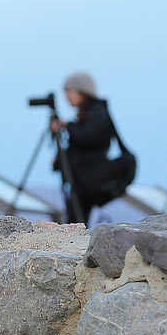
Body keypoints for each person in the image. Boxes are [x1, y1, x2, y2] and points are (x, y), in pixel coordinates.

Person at [51, 71, 115, 225]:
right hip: (81, 179)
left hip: (87, 179)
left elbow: (88, 137)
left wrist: (68, 126)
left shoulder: (97, 113)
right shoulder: (88, 113)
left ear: (82, 92)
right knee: (74, 217)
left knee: (77, 219)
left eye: (69, 92)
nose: (66, 97)